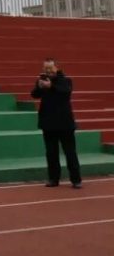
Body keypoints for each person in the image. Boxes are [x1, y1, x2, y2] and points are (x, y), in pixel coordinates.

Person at [31, 59, 82, 189]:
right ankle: (53, 178)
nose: (48, 71)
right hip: (48, 123)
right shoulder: (42, 80)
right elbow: (34, 95)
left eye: (50, 68)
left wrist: (51, 86)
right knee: (51, 153)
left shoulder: (65, 80)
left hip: (65, 123)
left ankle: (76, 179)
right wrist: (39, 87)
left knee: (70, 152)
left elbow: (65, 93)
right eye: (45, 68)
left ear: (56, 68)